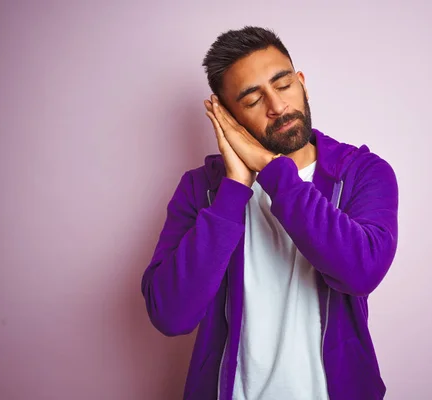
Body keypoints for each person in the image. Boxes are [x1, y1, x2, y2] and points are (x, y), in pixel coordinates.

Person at [141, 26, 399, 400]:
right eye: (252, 100)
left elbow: (360, 271)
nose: (277, 107)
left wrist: (271, 169)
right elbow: (170, 314)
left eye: (283, 85)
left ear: (302, 83)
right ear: (228, 117)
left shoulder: (362, 172)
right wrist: (233, 190)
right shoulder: (203, 190)